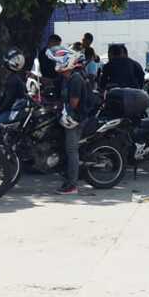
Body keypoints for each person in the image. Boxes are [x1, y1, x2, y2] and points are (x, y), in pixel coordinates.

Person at [52, 47, 89, 195]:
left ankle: (72, 185)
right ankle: (67, 179)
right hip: (68, 116)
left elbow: (73, 103)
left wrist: (60, 106)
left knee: (72, 150)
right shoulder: (66, 78)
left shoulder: (75, 79)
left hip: (75, 119)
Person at [0, 48, 29, 122]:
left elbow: (8, 101)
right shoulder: (16, 77)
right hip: (14, 110)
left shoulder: (13, 80)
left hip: (12, 111)